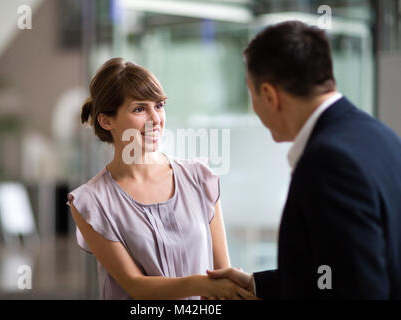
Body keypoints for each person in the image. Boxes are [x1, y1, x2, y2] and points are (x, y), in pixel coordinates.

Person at [208, 20, 401, 299]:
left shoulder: (327, 162)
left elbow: (355, 290)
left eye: (251, 92)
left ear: (269, 95)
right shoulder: (379, 135)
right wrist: (256, 284)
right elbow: (334, 271)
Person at [67, 57, 253, 300]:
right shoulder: (90, 203)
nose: (155, 119)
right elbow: (136, 286)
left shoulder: (199, 179)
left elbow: (223, 274)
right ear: (106, 120)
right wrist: (204, 285)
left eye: (159, 105)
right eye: (139, 109)